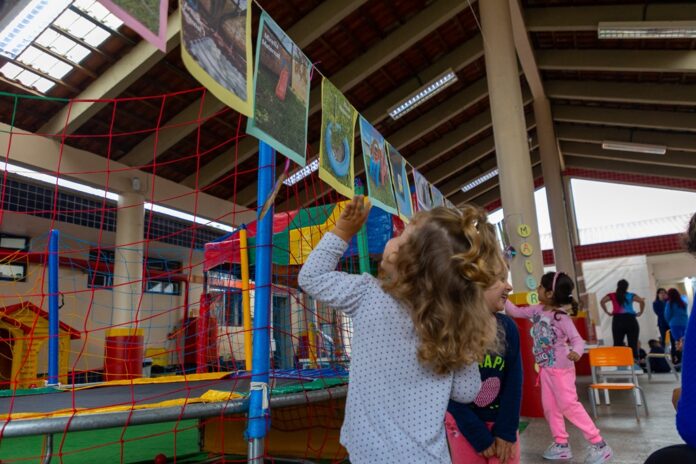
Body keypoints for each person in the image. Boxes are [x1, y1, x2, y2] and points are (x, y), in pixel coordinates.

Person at [298, 196, 502, 463]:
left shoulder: (367, 294)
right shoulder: (452, 324)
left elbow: (310, 278)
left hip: (370, 457)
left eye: (401, 234)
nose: (393, 239)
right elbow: (466, 392)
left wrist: (342, 232)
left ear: (405, 259)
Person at [505, 271, 613, 464]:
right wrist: (502, 294)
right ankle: (561, 445)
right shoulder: (537, 310)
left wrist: (577, 352)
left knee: (569, 406)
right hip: (546, 369)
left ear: (548, 293)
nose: (536, 288)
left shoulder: (560, 317)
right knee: (550, 408)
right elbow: (515, 312)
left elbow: (577, 340)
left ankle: (599, 444)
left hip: (562, 369)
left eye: (540, 286)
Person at [446, 273, 522, 464]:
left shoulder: (508, 328)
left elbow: (514, 383)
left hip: (502, 425)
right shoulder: (451, 330)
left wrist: (506, 431)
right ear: (476, 284)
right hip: (464, 426)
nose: (509, 286)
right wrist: (476, 433)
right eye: (501, 279)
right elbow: (445, 390)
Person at [644, 212, 696, 464]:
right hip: (682, 324)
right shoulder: (682, 301)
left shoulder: (665, 304)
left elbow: (691, 425)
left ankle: (676, 355)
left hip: (674, 326)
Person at [600, 279, 645, 361]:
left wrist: (607, 312)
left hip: (617, 320)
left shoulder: (612, 295)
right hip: (630, 320)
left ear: (618, 286)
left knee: (617, 343)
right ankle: (634, 364)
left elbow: (602, 301)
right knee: (633, 343)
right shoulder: (631, 295)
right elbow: (641, 301)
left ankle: (619, 363)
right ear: (627, 287)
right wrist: (640, 312)